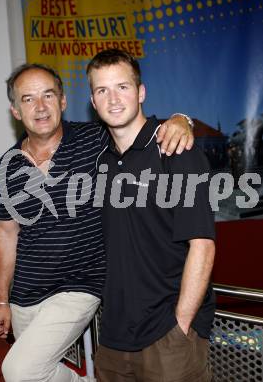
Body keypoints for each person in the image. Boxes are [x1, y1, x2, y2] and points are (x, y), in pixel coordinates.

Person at [0, 62, 194, 382]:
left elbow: (141, 125)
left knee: (19, 370)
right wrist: (1, 299)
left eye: (48, 95)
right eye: (28, 99)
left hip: (80, 284)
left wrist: (183, 120)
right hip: (27, 292)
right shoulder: (7, 164)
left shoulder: (96, 140)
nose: (40, 107)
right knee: (35, 376)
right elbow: (6, 232)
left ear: (63, 101)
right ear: (15, 111)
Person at [86, 49, 215, 381]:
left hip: (167, 334)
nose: (113, 99)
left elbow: (203, 245)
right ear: (93, 101)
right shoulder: (99, 160)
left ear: (141, 92)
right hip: (113, 336)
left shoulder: (175, 152)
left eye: (123, 87)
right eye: (102, 90)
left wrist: (181, 326)